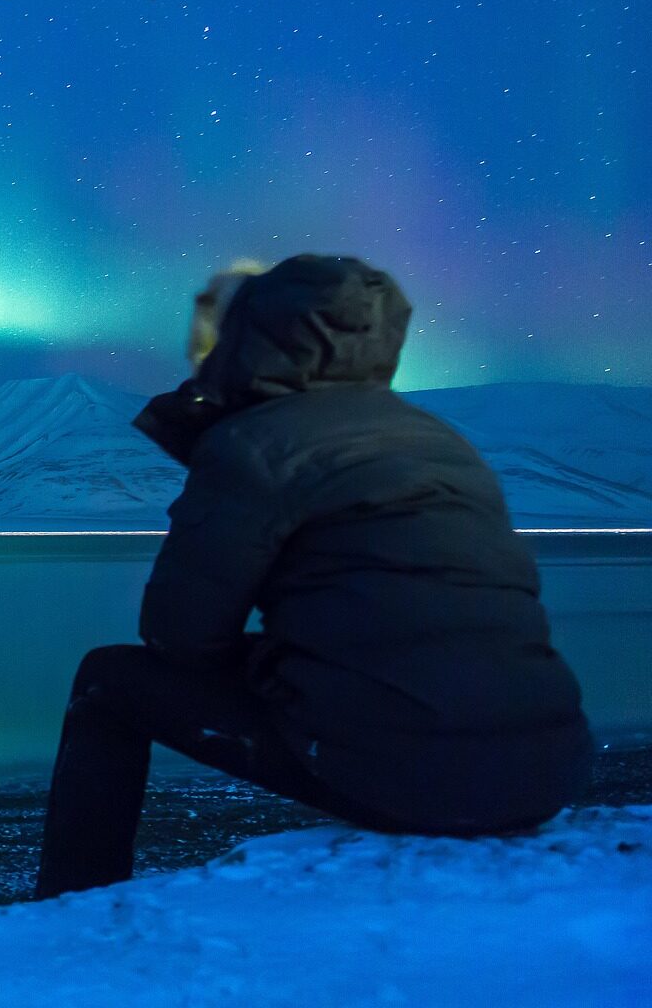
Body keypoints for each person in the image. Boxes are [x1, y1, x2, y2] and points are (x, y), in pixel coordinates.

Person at [31, 253, 594, 900]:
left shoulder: (255, 443)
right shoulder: (440, 441)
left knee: (107, 681)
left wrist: (278, 661)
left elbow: (178, 636)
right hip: (546, 773)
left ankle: (71, 902)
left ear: (253, 338)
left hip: (425, 783)